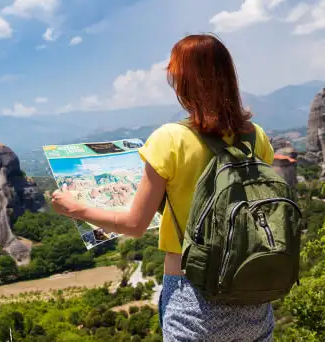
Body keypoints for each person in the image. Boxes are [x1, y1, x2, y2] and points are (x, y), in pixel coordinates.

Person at [50, 33, 276, 341]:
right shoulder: (256, 136)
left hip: (194, 298)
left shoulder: (170, 139)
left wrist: (77, 209)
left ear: (184, 82)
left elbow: (134, 225)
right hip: (253, 293)